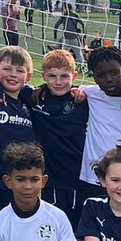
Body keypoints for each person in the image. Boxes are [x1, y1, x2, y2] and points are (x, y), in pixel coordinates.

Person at [26, 47, 88, 230]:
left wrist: (82, 91)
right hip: (51, 177)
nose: (58, 82)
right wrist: (41, 88)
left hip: (79, 175)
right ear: (43, 76)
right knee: (53, 226)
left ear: (74, 76)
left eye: (64, 76)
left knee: (78, 228)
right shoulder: (35, 99)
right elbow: (1, 86)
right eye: (52, 76)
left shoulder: (81, 100)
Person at [0, 47, 36, 226]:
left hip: (23, 185)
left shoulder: (28, 104)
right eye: (7, 69)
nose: (13, 74)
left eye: (20, 71)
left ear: (28, 76)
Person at [77, 46, 121, 208]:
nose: (109, 79)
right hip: (93, 177)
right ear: (93, 76)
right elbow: (64, 88)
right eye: (101, 75)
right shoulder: (91, 94)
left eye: (114, 72)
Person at [53, 4, 86, 68]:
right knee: (78, 54)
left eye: (64, 8)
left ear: (67, 8)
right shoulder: (75, 15)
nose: (64, 10)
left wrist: (55, 36)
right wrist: (84, 33)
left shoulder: (64, 16)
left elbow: (56, 25)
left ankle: (63, 65)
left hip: (66, 38)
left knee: (63, 54)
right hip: (73, 36)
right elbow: (82, 23)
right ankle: (81, 67)